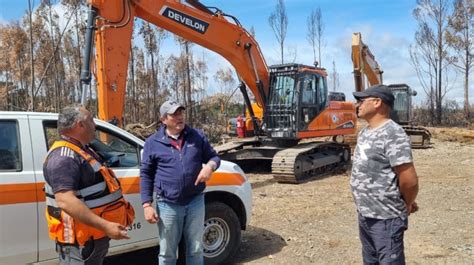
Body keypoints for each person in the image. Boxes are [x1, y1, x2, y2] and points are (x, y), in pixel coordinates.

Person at [43, 104, 134, 265]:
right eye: (91, 120)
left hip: (92, 237)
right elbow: (66, 200)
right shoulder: (64, 157)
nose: (96, 125)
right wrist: (106, 225)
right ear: (80, 125)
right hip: (80, 243)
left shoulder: (82, 150)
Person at [140, 100, 220, 265]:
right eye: (174, 114)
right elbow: (146, 174)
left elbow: (214, 157)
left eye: (181, 113)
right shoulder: (152, 142)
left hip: (195, 201)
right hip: (168, 204)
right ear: (163, 119)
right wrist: (146, 205)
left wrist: (210, 167)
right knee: (167, 253)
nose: (179, 117)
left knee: (196, 249)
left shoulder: (197, 136)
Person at [351, 84, 419, 264]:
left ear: (377, 102)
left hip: (386, 218)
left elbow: (408, 179)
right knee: (370, 260)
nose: (357, 104)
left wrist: (408, 202)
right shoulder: (365, 132)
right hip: (365, 214)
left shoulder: (393, 133)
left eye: (361, 100)